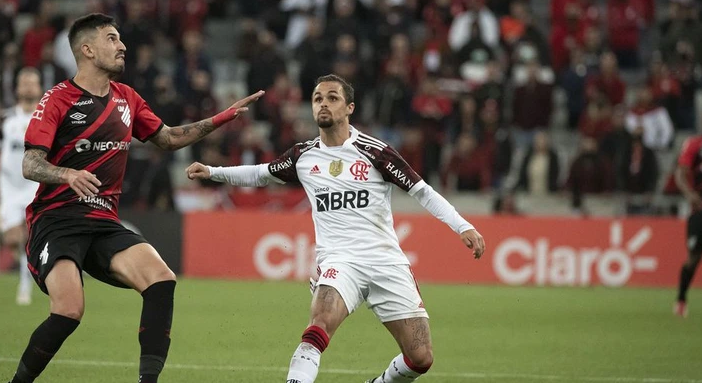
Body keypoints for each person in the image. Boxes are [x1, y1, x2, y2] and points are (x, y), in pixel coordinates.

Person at [7, 13, 262, 383]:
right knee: (68, 311)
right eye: (112, 39)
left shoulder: (127, 98)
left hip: (103, 223)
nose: (122, 45)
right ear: (88, 49)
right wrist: (68, 174)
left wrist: (221, 118)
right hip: (56, 220)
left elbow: (169, 139)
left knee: (161, 280)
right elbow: (30, 163)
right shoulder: (57, 100)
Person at [186, 74, 485, 383]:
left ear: (349, 107)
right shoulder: (303, 156)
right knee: (318, 325)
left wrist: (462, 226)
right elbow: (261, 174)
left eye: (332, 98)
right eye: (317, 99)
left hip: (386, 262)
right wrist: (212, 171)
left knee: (421, 358)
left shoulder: (375, 152)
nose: (323, 104)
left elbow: (421, 191)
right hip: (340, 262)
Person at [0, 68, 43, 305]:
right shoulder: (6, 118)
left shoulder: (46, 116)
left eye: (33, 82)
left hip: (34, 185)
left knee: (27, 235)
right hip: (8, 186)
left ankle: (25, 285)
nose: (28, 87)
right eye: (24, 83)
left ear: (39, 88)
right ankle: (27, 271)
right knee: (11, 240)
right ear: (17, 88)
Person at [673, 109, 702, 318]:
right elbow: (681, 172)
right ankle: (681, 299)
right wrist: (689, 194)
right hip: (701, 209)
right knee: (693, 257)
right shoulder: (695, 144)